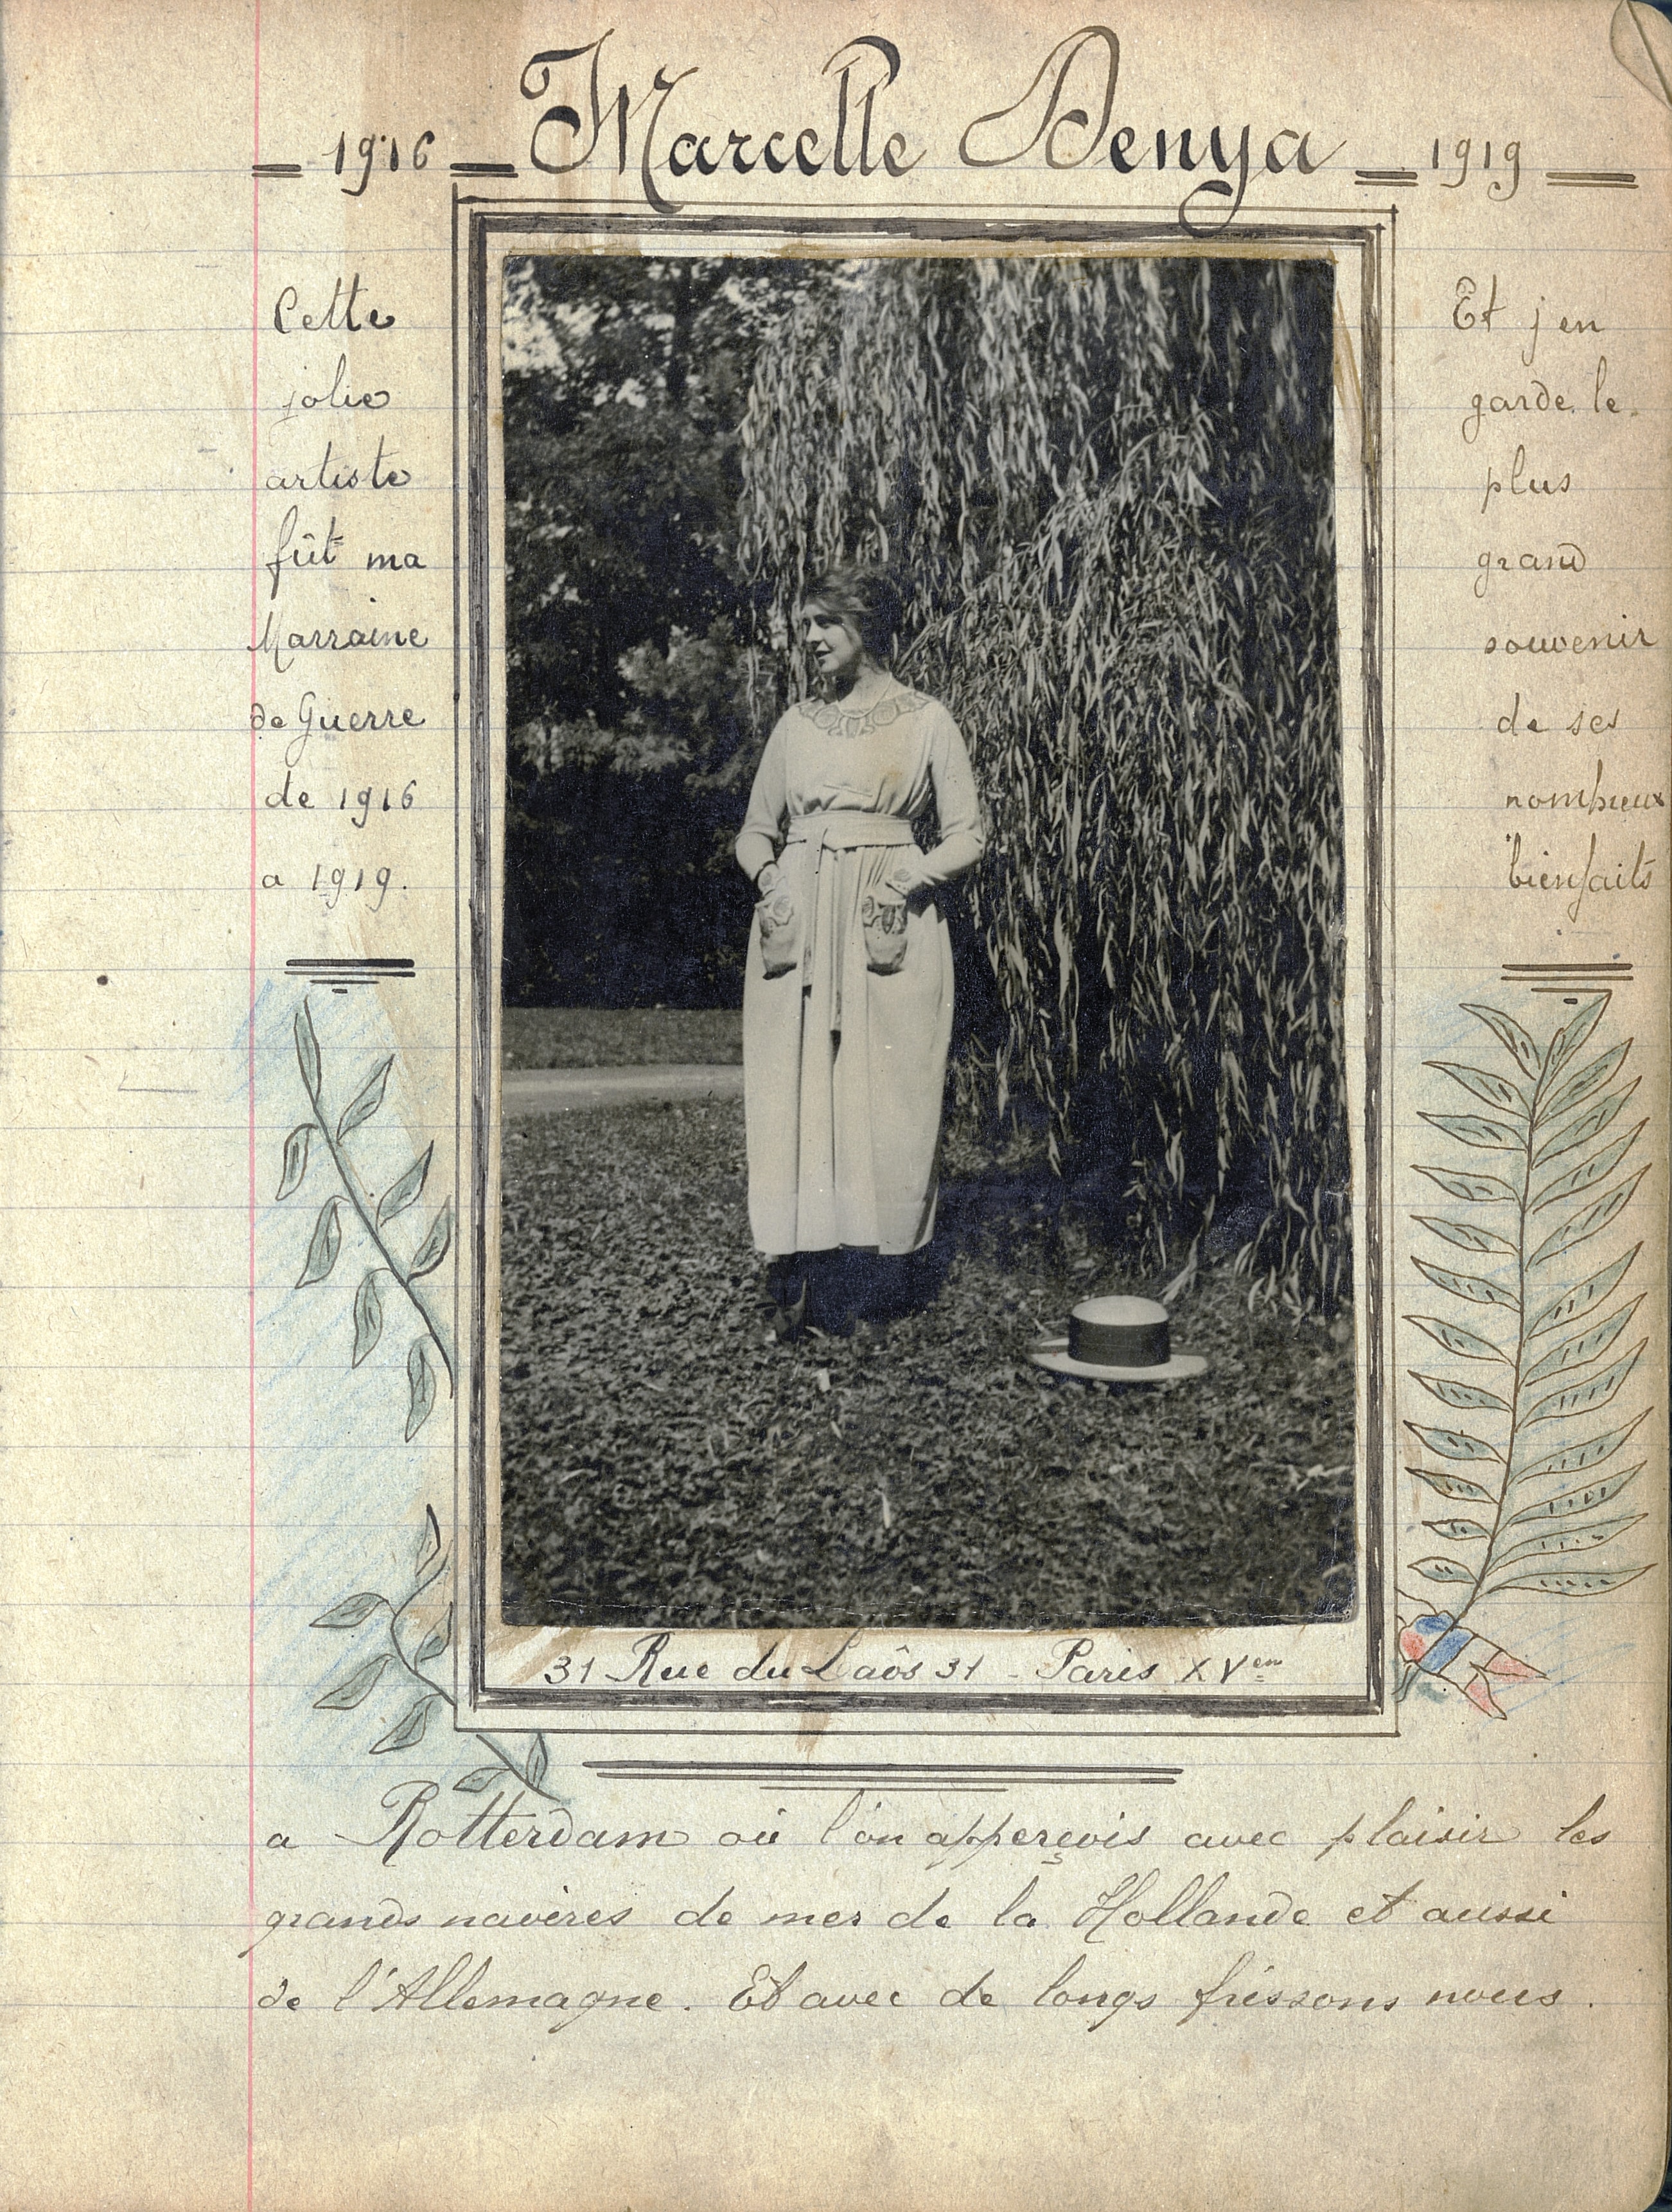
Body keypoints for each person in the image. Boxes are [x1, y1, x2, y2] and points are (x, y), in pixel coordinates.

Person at [734, 566, 985, 1334]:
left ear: (863, 627)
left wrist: (907, 876)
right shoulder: (795, 726)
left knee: (887, 1090)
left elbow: (968, 833)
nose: (808, 639)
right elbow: (753, 831)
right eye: (804, 625)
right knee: (798, 1092)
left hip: (888, 915)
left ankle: (880, 1283)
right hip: (802, 919)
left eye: (823, 623)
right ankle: (806, 1274)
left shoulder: (925, 719)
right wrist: (771, 879)